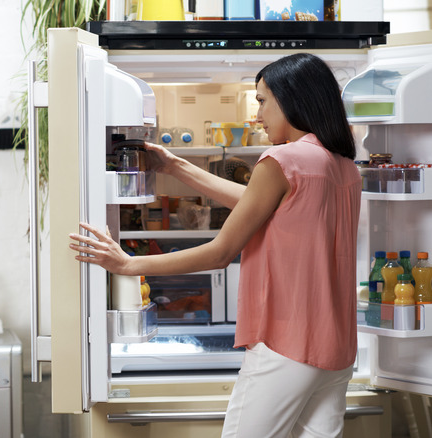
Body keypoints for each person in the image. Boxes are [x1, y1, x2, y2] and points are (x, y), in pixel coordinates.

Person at [68, 53, 361, 437]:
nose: (257, 115)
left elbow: (221, 252)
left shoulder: (282, 160)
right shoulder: (341, 165)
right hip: (337, 349)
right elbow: (255, 202)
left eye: (261, 100)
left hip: (288, 343)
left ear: (293, 99)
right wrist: (174, 165)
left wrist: (127, 265)